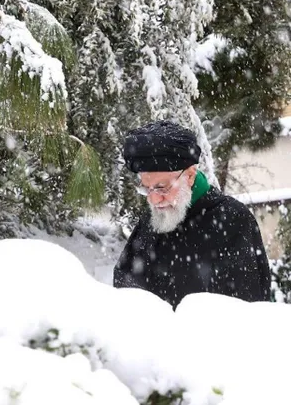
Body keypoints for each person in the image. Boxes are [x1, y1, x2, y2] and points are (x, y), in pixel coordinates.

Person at [113, 120, 272, 309]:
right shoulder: (154, 220)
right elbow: (123, 292)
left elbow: (246, 311)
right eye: (147, 189)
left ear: (189, 175)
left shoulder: (233, 221)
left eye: (162, 188)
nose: (154, 200)